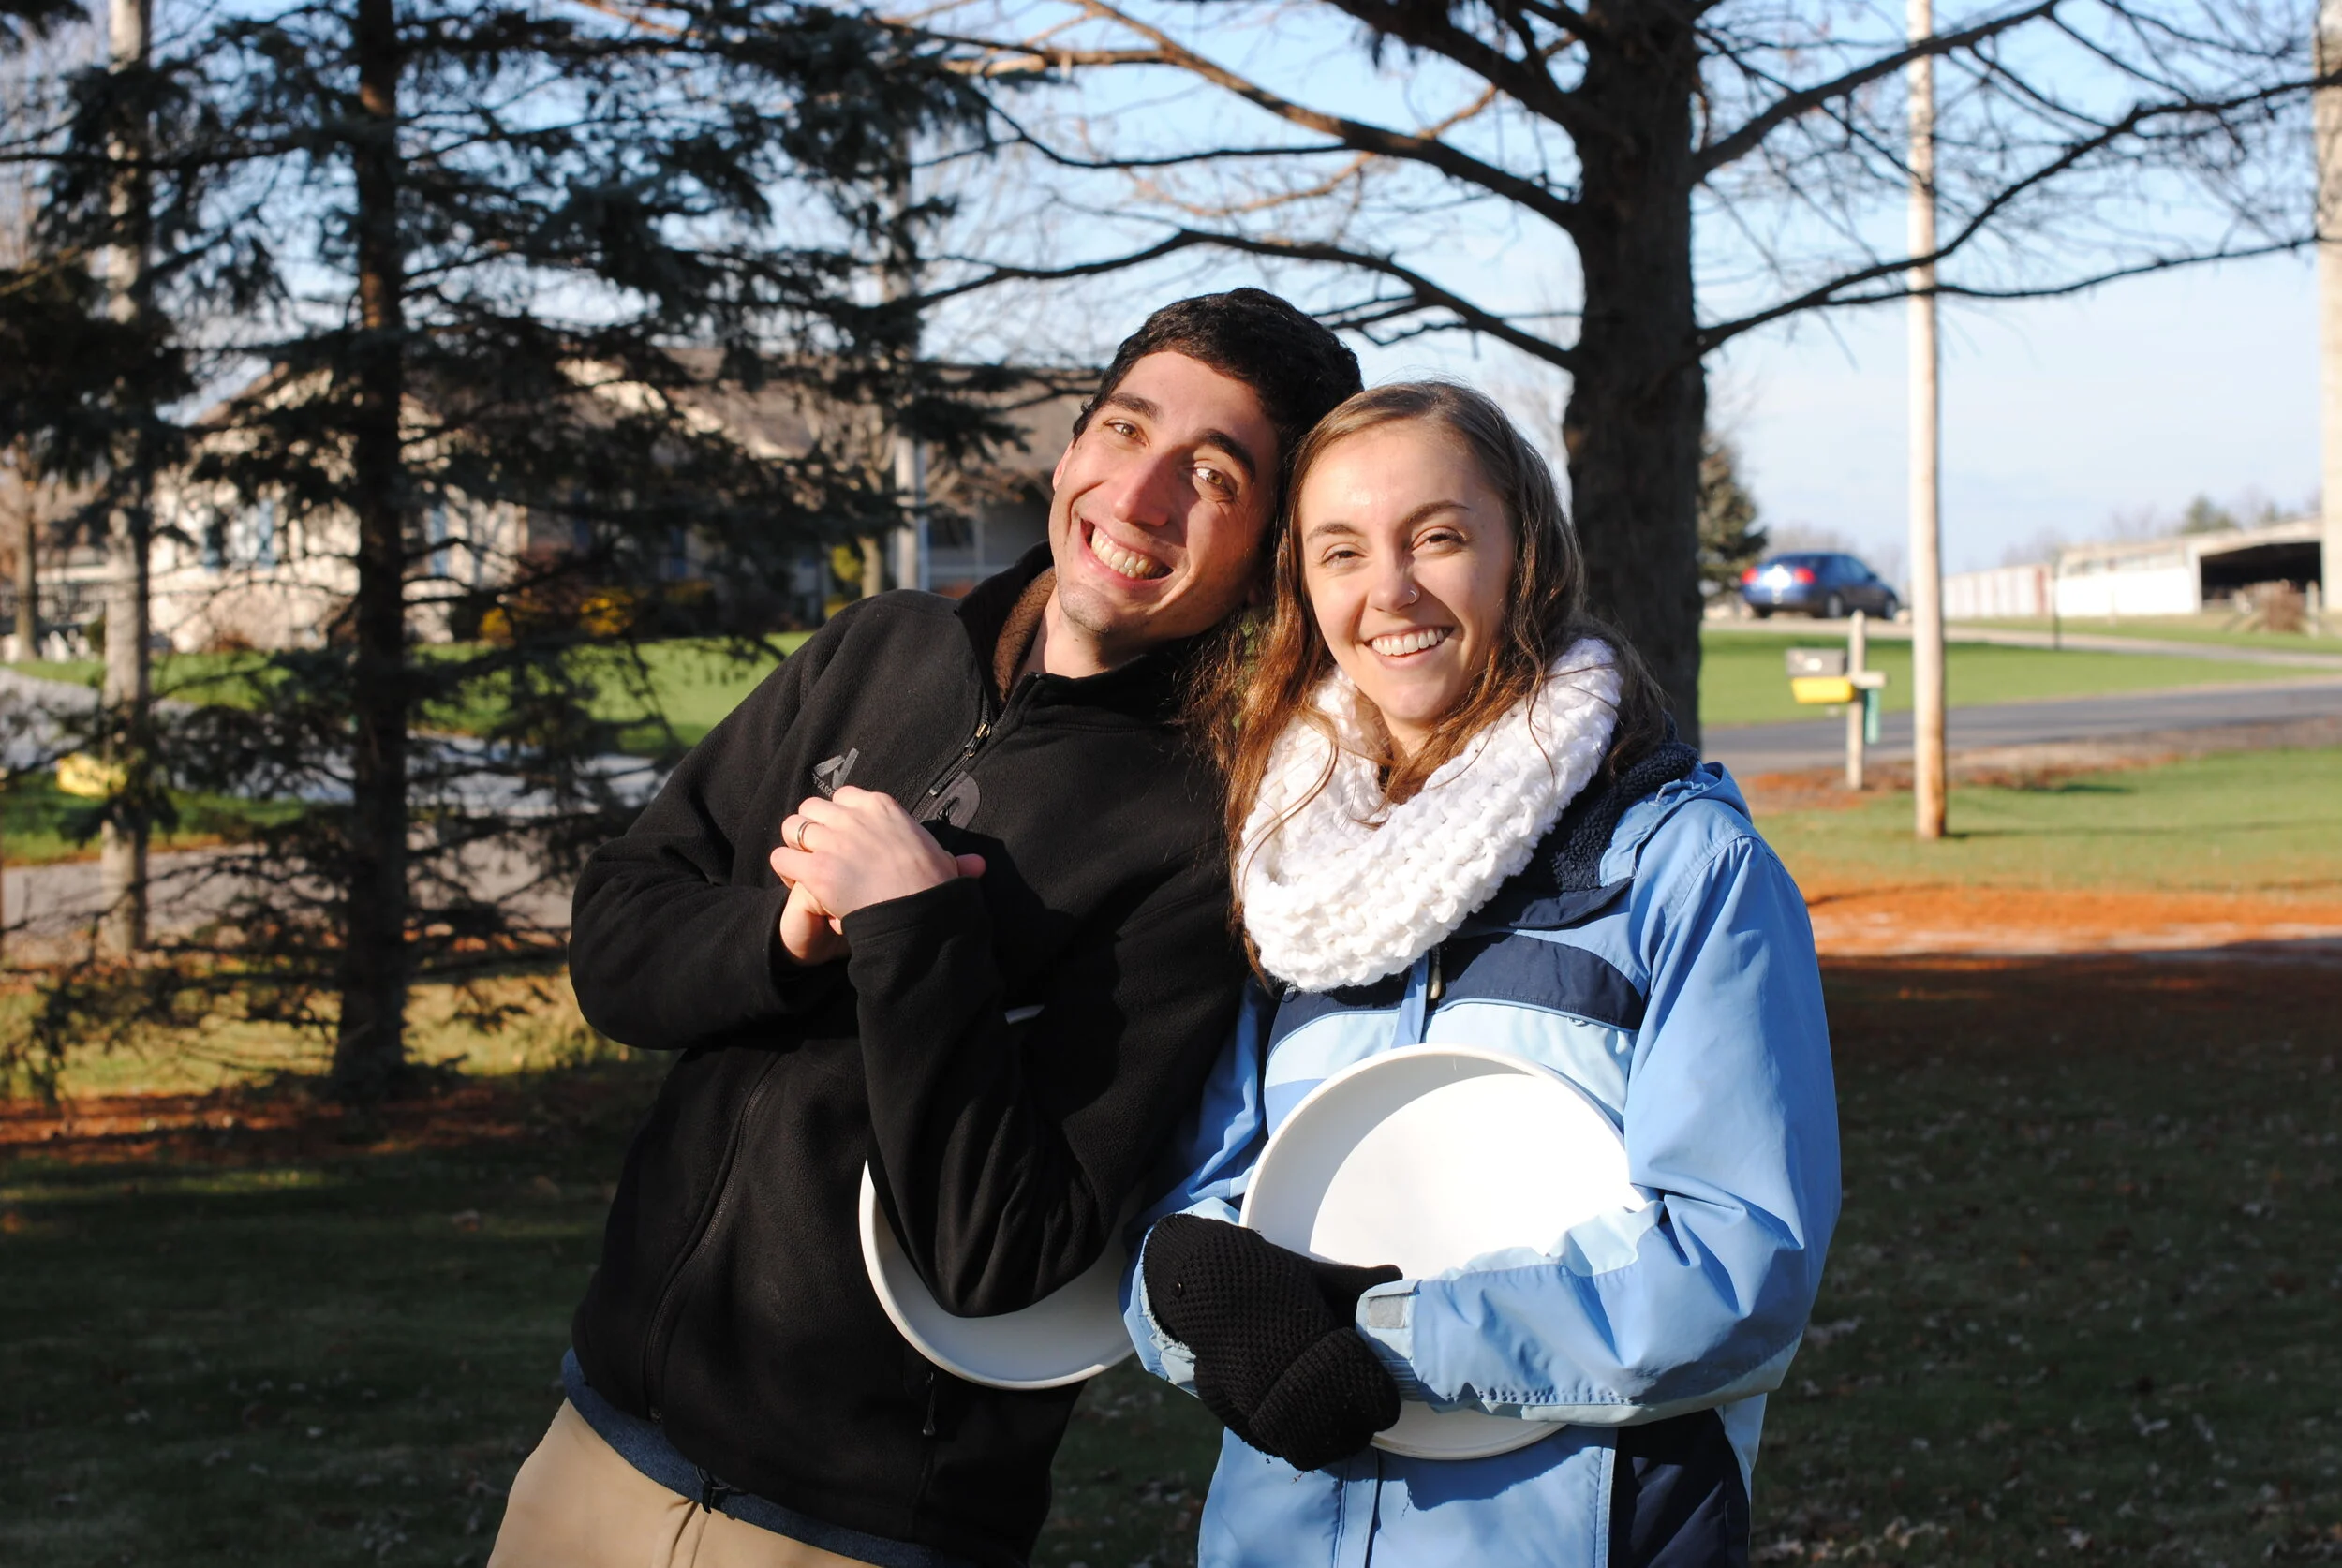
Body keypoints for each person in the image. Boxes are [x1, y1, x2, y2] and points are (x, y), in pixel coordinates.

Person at [485, 289, 1363, 1568]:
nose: (1140, 493)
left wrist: (916, 931)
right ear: (1071, 448)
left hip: (858, 1525)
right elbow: (616, 935)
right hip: (601, 1437)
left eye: (1212, 475)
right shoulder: (880, 649)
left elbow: (1009, 1249)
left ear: (1270, 545)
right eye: (1124, 430)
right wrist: (784, 940)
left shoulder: (1202, 832)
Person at [1122, 382, 1841, 1566]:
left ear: (1529, 555)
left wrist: (1382, 1334)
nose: (1388, 591)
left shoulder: (1682, 865)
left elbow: (1736, 1264)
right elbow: (1196, 1201)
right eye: (1340, 551)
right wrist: (1186, 1297)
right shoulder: (1282, 864)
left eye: (1437, 538)